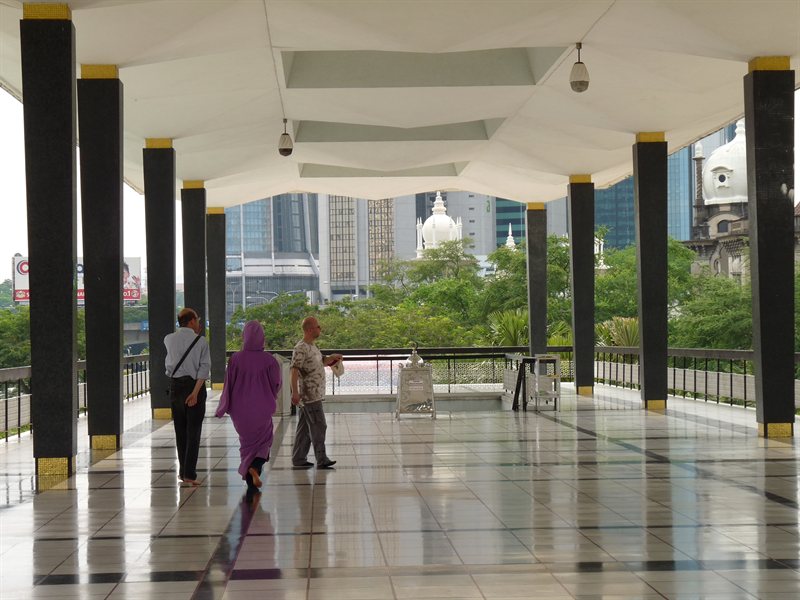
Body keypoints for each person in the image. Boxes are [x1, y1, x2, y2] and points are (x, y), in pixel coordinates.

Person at [215, 320, 282, 494]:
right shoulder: (270, 361)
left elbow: (228, 383)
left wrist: (225, 405)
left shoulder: (235, 359)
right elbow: (277, 383)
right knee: (264, 441)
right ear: (262, 338)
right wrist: (269, 395)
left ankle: (251, 476)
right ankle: (255, 467)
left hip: (240, 412)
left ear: (244, 337)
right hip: (261, 409)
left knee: (246, 444)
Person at [164, 308, 210, 485]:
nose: (198, 323)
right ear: (191, 321)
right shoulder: (201, 341)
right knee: (193, 432)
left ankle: (183, 472)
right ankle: (190, 473)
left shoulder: (168, 339)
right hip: (194, 386)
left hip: (175, 387)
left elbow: (169, 367)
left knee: (180, 431)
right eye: (197, 320)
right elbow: (204, 369)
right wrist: (195, 393)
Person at [290, 316, 342, 469]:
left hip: (315, 393)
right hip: (309, 395)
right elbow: (294, 371)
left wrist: (331, 358)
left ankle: (299, 458)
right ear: (310, 329)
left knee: (305, 427)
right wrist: (295, 392)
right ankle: (321, 458)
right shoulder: (301, 348)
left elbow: (319, 362)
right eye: (318, 326)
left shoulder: (313, 347)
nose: (320, 329)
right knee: (319, 425)